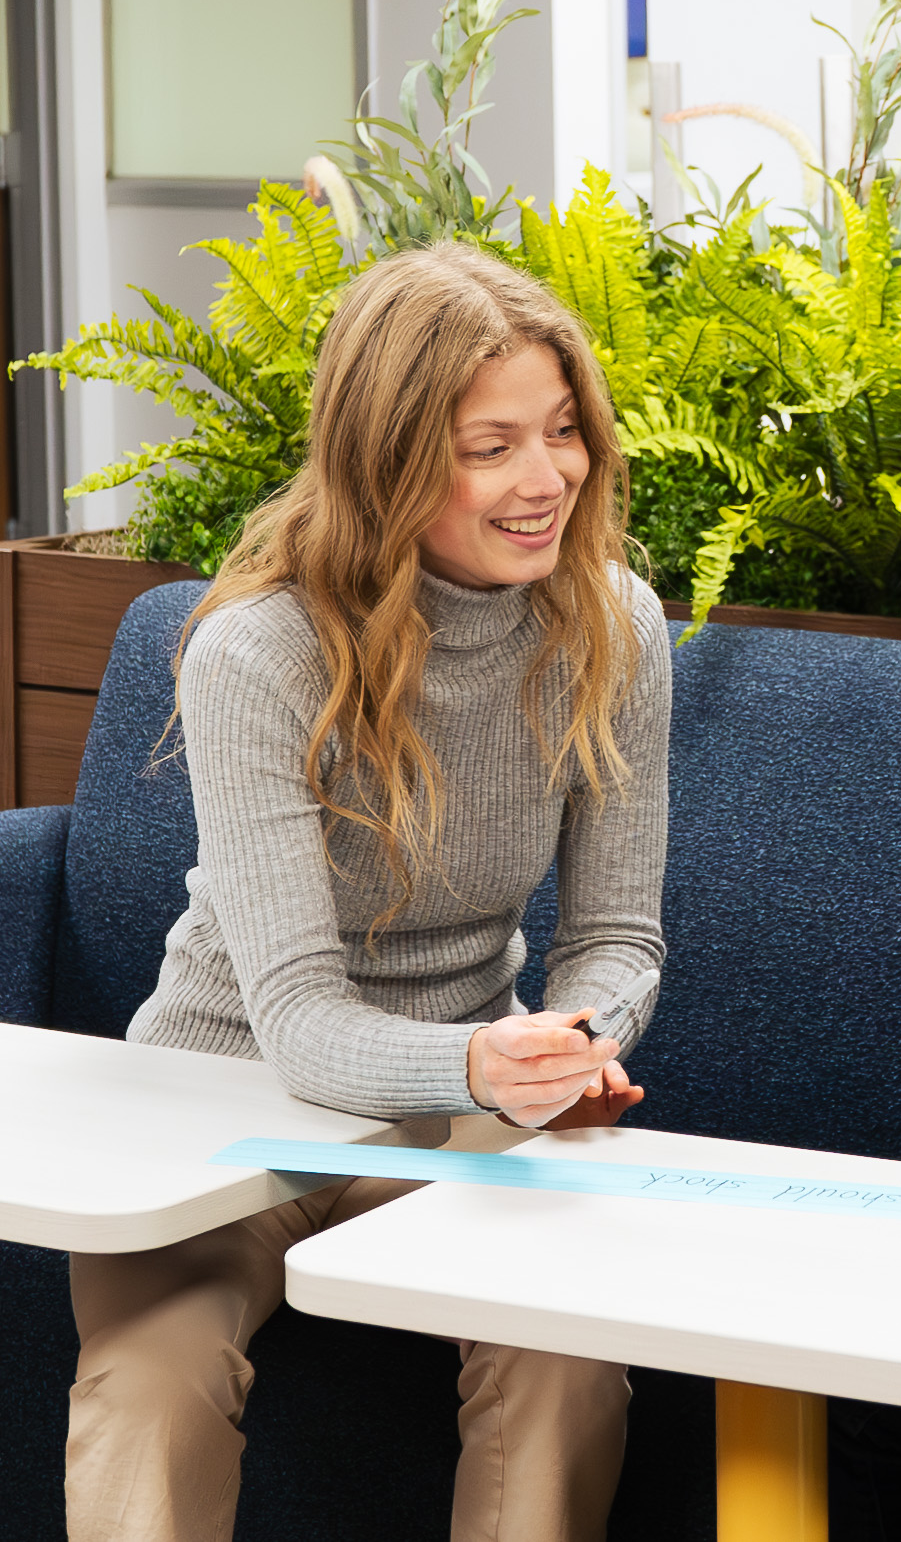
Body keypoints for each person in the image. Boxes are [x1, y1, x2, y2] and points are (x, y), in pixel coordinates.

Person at [75, 244, 674, 1542]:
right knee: (155, 1382)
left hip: (456, 1112)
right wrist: (485, 1059)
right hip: (227, 1096)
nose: (545, 477)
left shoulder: (614, 626)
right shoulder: (259, 649)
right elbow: (295, 1017)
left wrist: (574, 1044)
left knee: (566, 1346)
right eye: (492, 444)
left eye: (564, 430)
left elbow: (619, 936)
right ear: (389, 458)